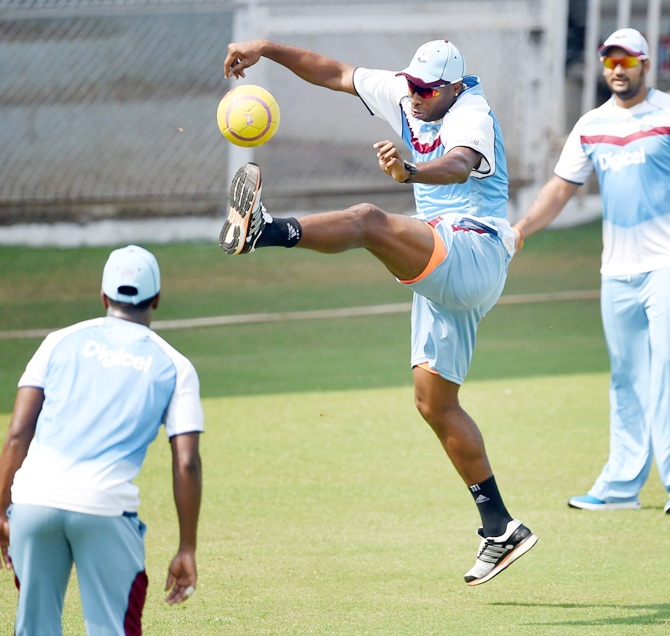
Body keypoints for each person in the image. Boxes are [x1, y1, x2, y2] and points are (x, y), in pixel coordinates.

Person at [221, 38, 537, 586]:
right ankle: (500, 527)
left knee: (369, 219)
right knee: (434, 403)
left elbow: (460, 166)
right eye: (410, 85)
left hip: (474, 250)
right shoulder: (412, 93)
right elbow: (337, 73)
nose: (413, 96)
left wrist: (411, 173)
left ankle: (263, 231)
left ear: (453, 87)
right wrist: (266, 50)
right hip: (441, 257)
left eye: (425, 89)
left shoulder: (472, 114)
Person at [0, 245, 204, 634]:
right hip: (104, 507)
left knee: (35, 628)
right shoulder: (176, 366)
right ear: (157, 299)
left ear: (104, 296)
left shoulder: (57, 341)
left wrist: (1, 508)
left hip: (32, 502)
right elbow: (187, 462)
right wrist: (186, 547)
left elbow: (16, 434)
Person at [513, 28, 670, 512]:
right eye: (610, 61)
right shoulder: (591, 125)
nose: (618, 69)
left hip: (666, 267)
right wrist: (519, 230)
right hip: (616, 273)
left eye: (627, 60)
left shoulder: (666, 115)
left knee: (666, 375)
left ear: (646, 64)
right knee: (625, 378)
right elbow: (560, 190)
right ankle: (621, 487)